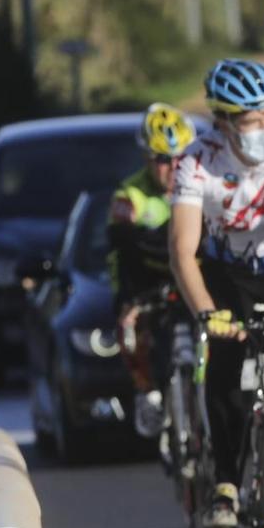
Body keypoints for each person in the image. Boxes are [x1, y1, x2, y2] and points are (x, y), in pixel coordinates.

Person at [168, 57, 264, 528]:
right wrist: (207, 314)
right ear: (223, 121)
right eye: (250, 121)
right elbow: (182, 251)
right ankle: (226, 487)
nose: (262, 129)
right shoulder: (196, 161)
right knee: (228, 364)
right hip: (224, 271)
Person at [109, 104, 194, 439]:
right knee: (129, 325)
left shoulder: (203, 183)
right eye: (162, 159)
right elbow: (120, 253)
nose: (172, 167)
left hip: (194, 277)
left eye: (180, 157)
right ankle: (146, 392)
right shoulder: (130, 195)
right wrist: (126, 300)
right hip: (148, 281)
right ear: (146, 158)